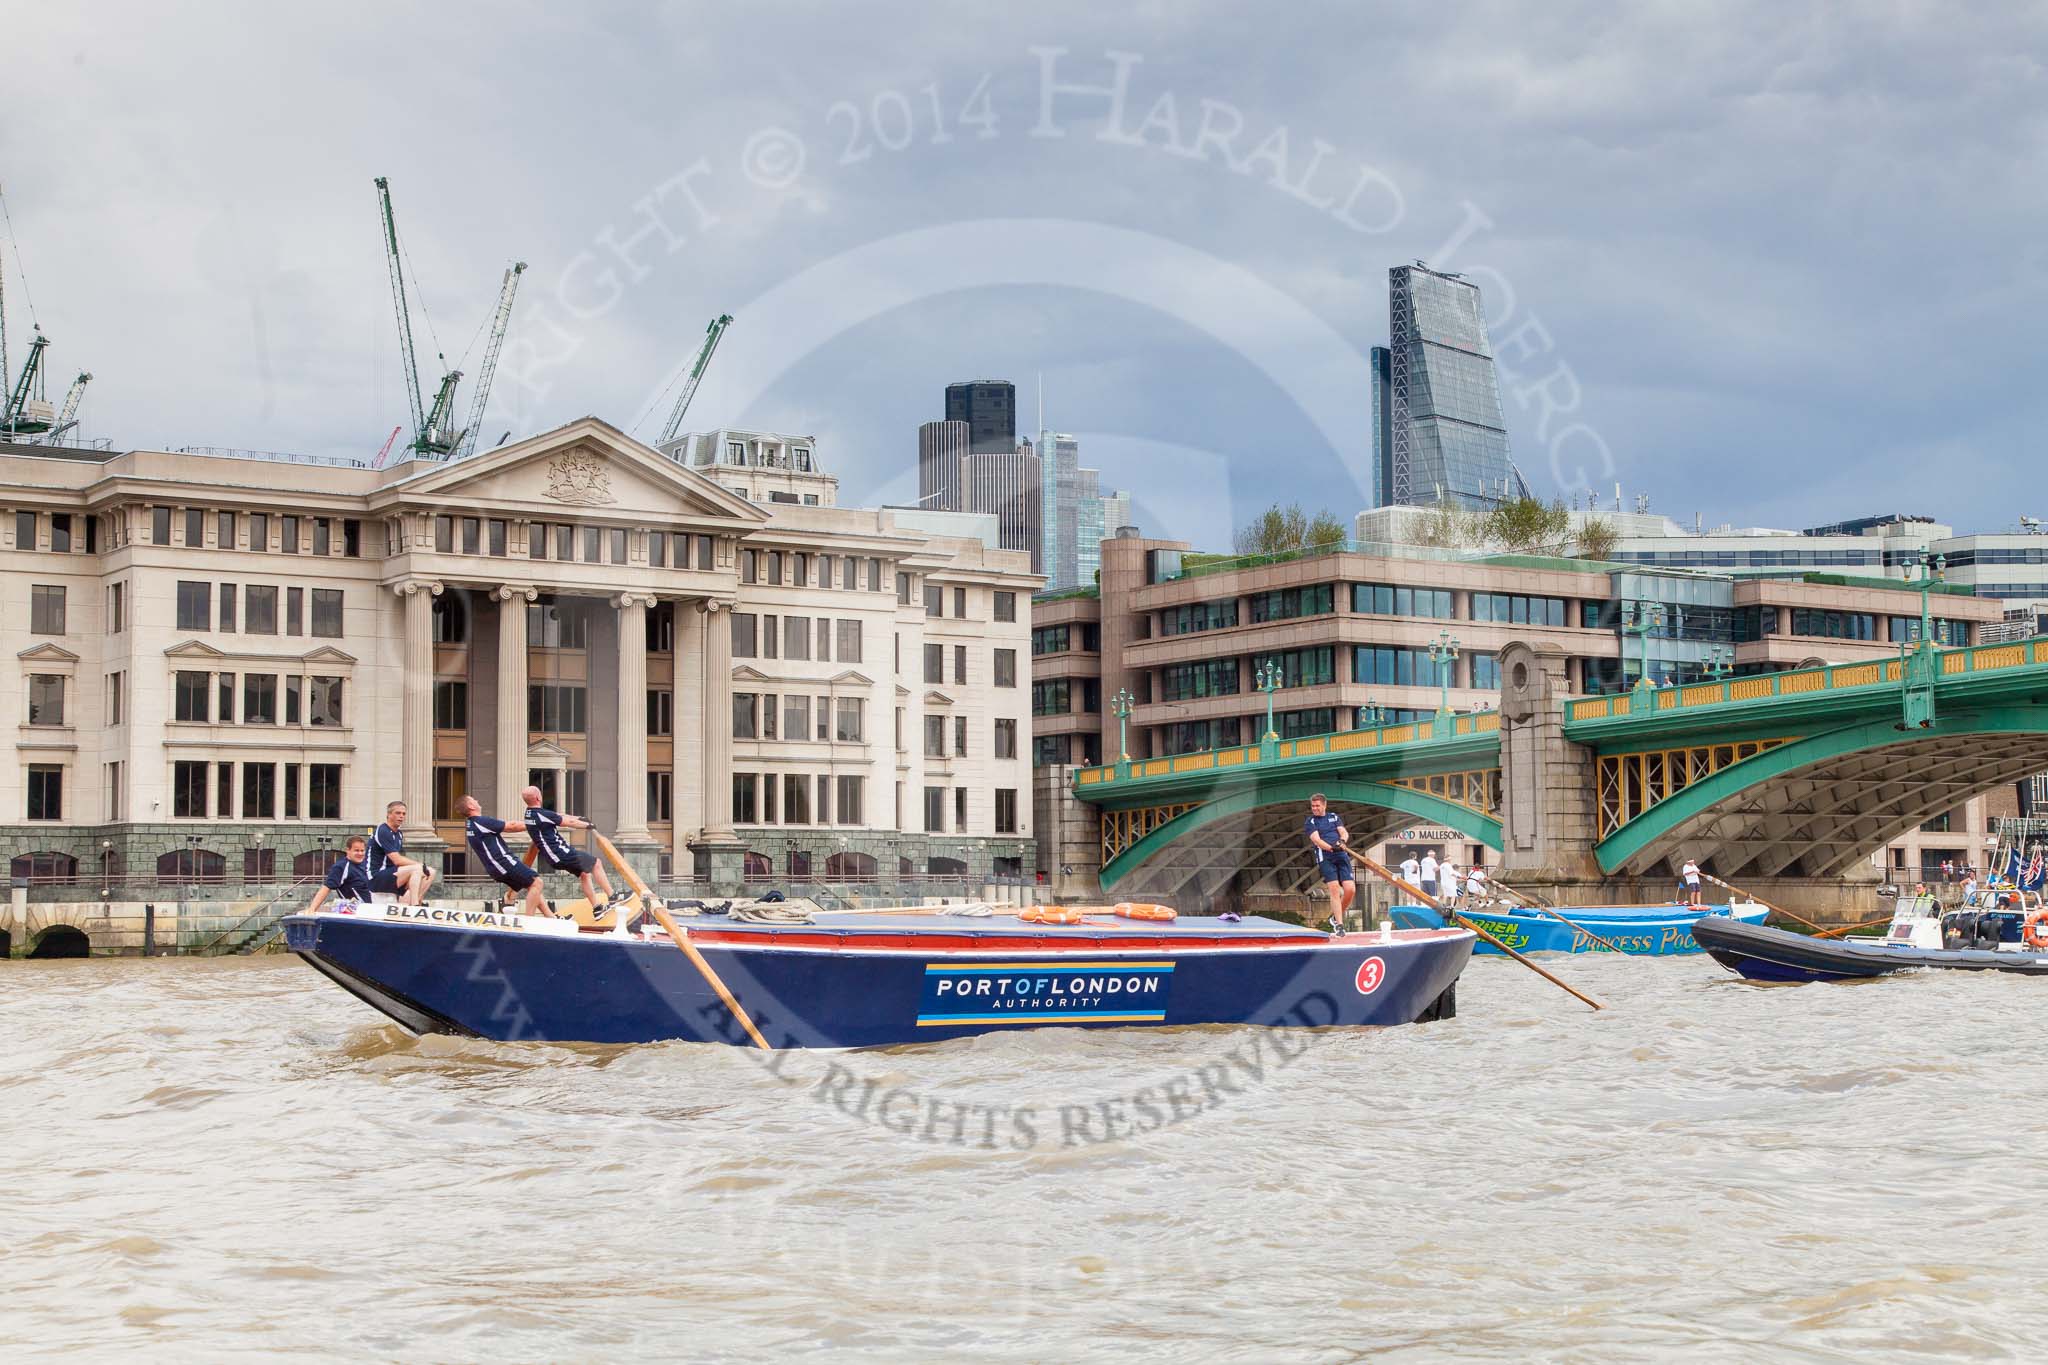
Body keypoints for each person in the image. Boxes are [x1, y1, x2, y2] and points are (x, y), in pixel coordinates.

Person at [521, 785, 627, 912]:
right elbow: (568, 823)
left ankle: (597, 908)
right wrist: (588, 825)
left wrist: (578, 818)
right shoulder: (542, 815)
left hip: (553, 858)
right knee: (596, 863)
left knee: (584, 874)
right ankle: (613, 896)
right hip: (562, 853)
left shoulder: (529, 814)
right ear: (539, 797)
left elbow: (557, 815)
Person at [461, 794, 549, 917]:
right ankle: (529, 920)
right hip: (503, 863)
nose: (477, 800)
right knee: (537, 883)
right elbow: (511, 826)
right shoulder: (481, 822)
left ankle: (551, 917)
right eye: (473, 800)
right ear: (470, 806)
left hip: (497, 867)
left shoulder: (471, 825)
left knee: (532, 886)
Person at [1302, 792, 1354, 935]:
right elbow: (1317, 840)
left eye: (1317, 806)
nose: (1315, 808)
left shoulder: (1334, 817)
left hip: (1341, 855)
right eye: (1313, 806)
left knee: (1350, 890)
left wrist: (1342, 842)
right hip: (1325, 856)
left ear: (1324, 805)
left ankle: (1334, 917)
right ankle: (1340, 925)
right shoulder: (1310, 822)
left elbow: (1343, 832)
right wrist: (1331, 847)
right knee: (1335, 889)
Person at [368, 800, 434, 905]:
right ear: (389, 814)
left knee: (430, 872)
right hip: (376, 876)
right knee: (418, 868)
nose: (401, 816)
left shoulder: (399, 834)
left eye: (404, 814)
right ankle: (414, 904)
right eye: (398, 813)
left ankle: (414, 902)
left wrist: (422, 867)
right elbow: (397, 860)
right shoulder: (383, 830)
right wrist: (420, 864)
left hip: (392, 873)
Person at [307, 835, 374, 915]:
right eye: (356, 850)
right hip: (356, 912)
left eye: (362, 851)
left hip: (374, 909)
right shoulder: (340, 867)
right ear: (348, 850)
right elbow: (326, 888)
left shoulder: (367, 864)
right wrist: (312, 909)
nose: (360, 853)